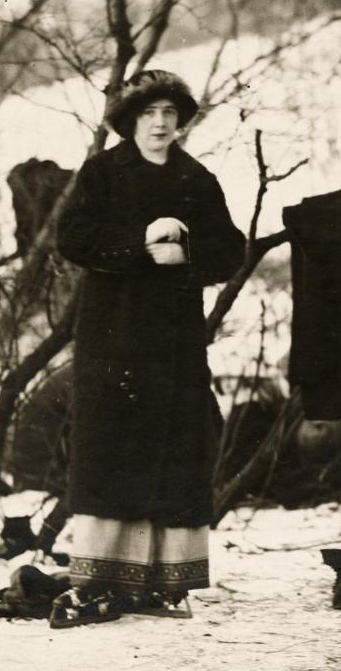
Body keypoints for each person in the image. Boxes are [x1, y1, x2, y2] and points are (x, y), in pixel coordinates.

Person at [51, 69, 245, 628]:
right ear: (130, 121)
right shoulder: (103, 172)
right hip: (113, 329)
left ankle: (164, 582)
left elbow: (230, 249)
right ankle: (100, 578)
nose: (160, 124)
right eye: (149, 114)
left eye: (169, 114)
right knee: (112, 440)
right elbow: (73, 239)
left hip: (176, 335)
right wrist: (138, 244)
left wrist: (188, 256)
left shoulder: (196, 178)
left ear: (181, 120)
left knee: (175, 442)